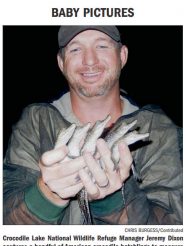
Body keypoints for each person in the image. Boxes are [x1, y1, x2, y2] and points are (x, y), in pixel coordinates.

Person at [3, 26, 182, 225]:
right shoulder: (35, 122)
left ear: (122, 56)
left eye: (102, 46)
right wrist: (48, 195)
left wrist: (113, 201)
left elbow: (172, 232)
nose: (89, 61)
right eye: (76, 49)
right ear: (61, 62)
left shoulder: (159, 130)